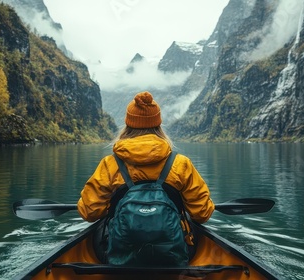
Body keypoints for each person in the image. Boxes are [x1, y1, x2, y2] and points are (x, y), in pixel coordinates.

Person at [77, 91, 214, 265]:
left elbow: (88, 212)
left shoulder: (110, 165)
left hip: (122, 254)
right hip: (172, 255)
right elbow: (202, 214)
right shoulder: (181, 164)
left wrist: (112, 206)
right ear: (158, 125)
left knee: (99, 230)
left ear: (128, 125)